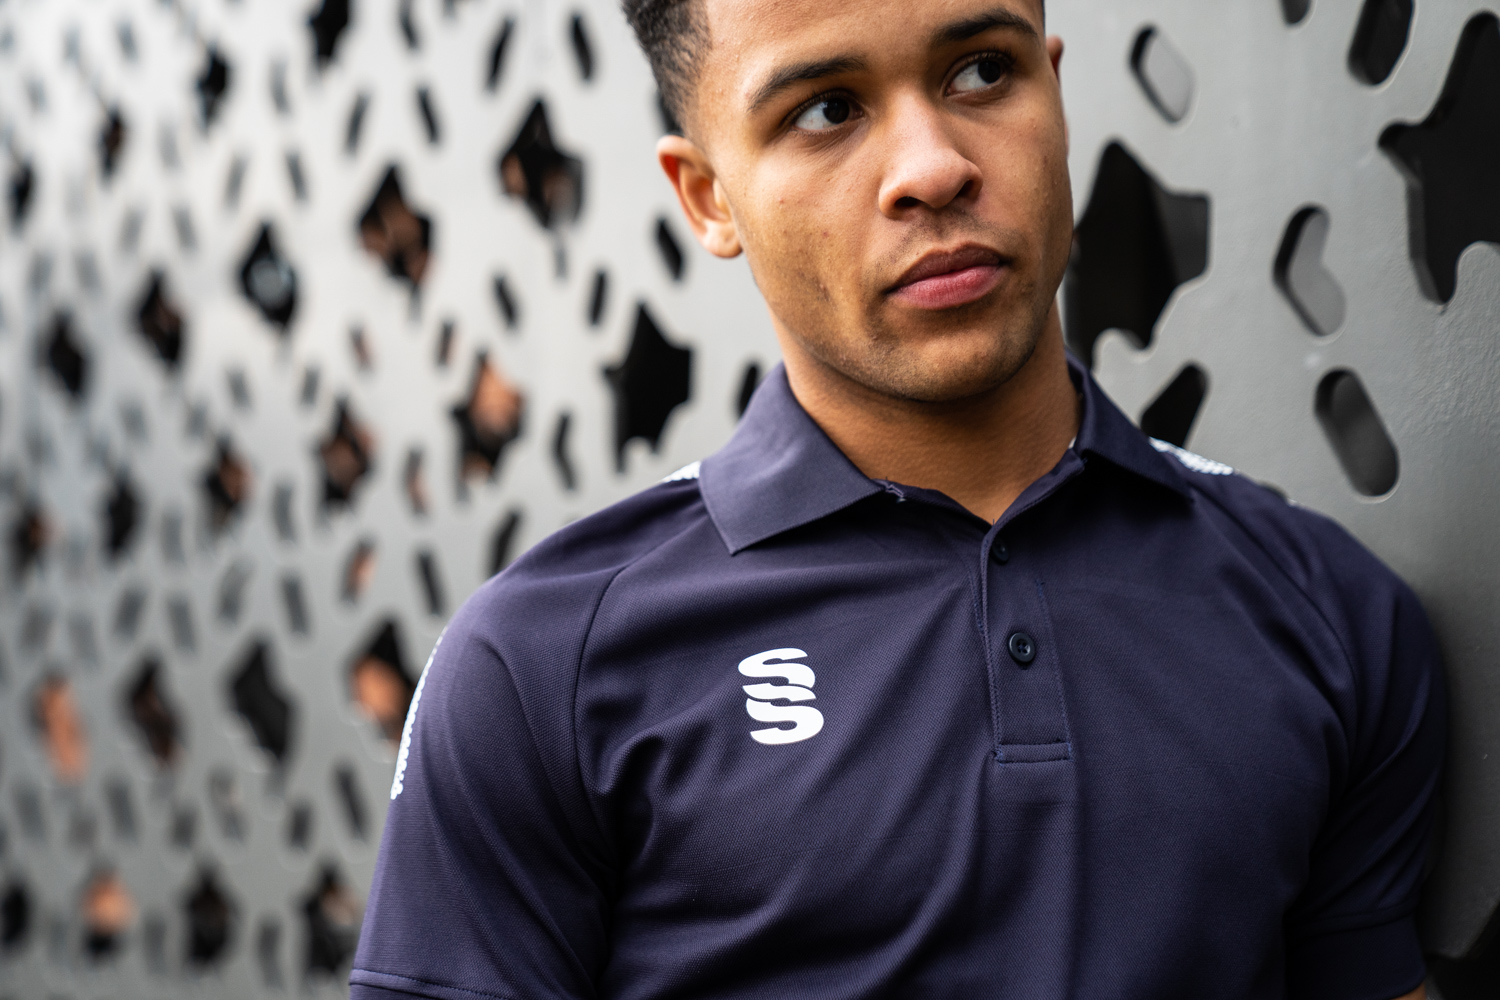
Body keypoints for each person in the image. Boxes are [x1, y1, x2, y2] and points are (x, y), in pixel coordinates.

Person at [350, 1, 1445, 998]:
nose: (932, 168)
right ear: (708, 197)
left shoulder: (1328, 608)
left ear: (1056, 91)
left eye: (982, 72)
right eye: (826, 110)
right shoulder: (542, 664)